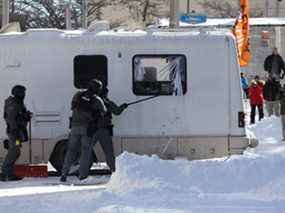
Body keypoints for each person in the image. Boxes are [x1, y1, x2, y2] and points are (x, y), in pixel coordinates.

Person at [60, 79, 107, 182]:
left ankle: (64, 174)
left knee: (71, 151)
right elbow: (103, 112)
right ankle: (82, 176)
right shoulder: (97, 100)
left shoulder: (78, 95)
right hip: (87, 129)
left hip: (74, 127)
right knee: (85, 152)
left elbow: (72, 106)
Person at [91, 87, 128, 173]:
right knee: (108, 152)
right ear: (105, 94)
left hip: (91, 130)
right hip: (104, 130)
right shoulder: (107, 103)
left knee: (86, 150)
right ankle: (113, 170)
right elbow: (117, 111)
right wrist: (124, 106)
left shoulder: (91, 102)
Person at [1, 85, 32, 181]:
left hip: (18, 132)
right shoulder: (12, 103)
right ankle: (6, 173)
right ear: (18, 93)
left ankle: (9, 172)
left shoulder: (18, 103)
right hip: (14, 132)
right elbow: (11, 118)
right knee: (14, 151)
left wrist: (26, 116)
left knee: (16, 151)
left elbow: (20, 116)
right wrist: (15, 129)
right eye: (23, 92)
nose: (24, 94)